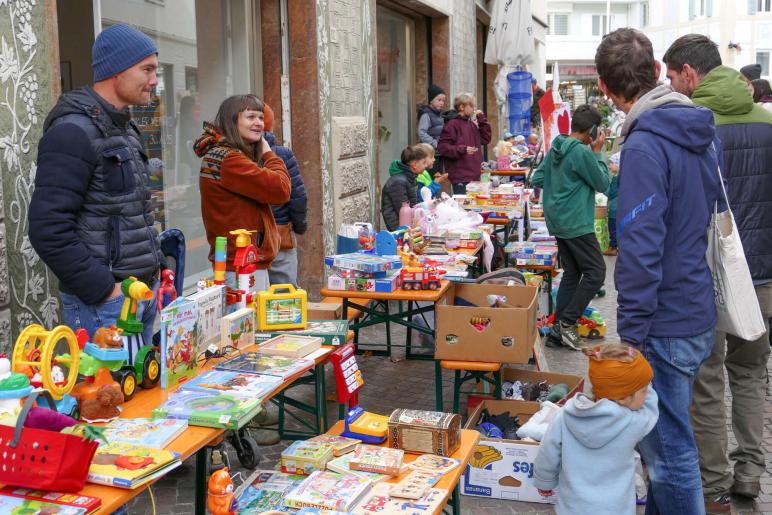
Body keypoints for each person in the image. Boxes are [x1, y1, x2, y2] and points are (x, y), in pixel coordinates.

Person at [595, 28, 723, 514]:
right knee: (672, 439)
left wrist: (631, 331)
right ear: (654, 72)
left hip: (666, 319)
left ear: (606, 90)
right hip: (694, 305)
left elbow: (641, 248)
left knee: (669, 452)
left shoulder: (646, 145)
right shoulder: (698, 128)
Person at [663, 33, 772, 507]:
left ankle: (713, 483)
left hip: (706, 278)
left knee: (706, 380)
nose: (671, 86)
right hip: (765, 275)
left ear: (690, 73)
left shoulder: (692, 126)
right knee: (750, 374)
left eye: (672, 76)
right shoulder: (768, 123)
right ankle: (750, 471)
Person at [29, 24, 164, 345]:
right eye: (147, 70)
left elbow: (131, 214)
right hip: (106, 304)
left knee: (140, 392)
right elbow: (48, 229)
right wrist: (105, 290)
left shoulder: (126, 129)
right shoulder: (72, 132)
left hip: (139, 295)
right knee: (104, 395)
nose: (155, 80)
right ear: (116, 70)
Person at [534, 343, 659, 515]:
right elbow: (652, 410)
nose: (646, 395)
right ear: (623, 398)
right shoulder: (632, 423)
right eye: (643, 390)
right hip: (616, 509)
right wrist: (647, 380)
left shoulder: (567, 414)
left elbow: (548, 452)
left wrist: (544, 482)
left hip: (572, 507)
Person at [194, 95, 291, 294]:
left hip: (243, 260)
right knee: (248, 322)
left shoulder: (227, 154)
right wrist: (269, 154)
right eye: (250, 117)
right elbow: (281, 189)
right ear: (233, 121)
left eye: (261, 118)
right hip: (241, 264)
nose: (259, 123)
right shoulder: (229, 159)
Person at [531, 104, 610, 350]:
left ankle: (558, 331)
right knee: (596, 273)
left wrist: (562, 183)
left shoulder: (557, 145)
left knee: (574, 272)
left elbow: (538, 178)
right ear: (593, 130)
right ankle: (567, 323)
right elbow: (603, 183)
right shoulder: (582, 152)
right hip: (576, 221)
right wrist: (597, 153)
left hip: (557, 220)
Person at [261, 104, 308, 287]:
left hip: (248, 241)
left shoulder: (236, 156)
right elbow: (298, 197)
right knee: (285, 296)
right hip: (280, 234)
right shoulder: (282, 154)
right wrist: (299, 226)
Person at [438, 93, 491, 195]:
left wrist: (482, 120)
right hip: (460, 177)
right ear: (462, 107)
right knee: (463, 208)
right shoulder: (452, 124)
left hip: (474, 175)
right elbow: (443, 148)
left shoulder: (471, 124)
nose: (474, 109)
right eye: (471, 106)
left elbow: (485, 139)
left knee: (473, 208)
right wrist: (463, 149)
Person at [380, 144, 429, 231]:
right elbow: (403, 211)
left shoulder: (410, 178)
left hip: (407, 227)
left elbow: (413, 204)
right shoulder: (398, 182)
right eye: (424, 162)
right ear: (414, 164)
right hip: (399, 230)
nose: (426, 166)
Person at [418, 84, 446, 173]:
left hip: (439, 153)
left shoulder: (441, 114)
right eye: (439, 100)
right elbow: (422, 133)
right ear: (431, 100)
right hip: (429, 154)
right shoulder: (426, 115)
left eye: (443, 100)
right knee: (430, 179)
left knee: (438, 177)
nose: (442, 103)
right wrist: (435, 143)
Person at [604, 152, 620, 256]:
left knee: (612, 228)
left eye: (612, 163)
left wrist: (602, 190)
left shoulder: (616, 178)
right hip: (621, 208)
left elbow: (611, 193)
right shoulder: (626, 177)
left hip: (614, 209)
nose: (610, 166)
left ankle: (613, 247)